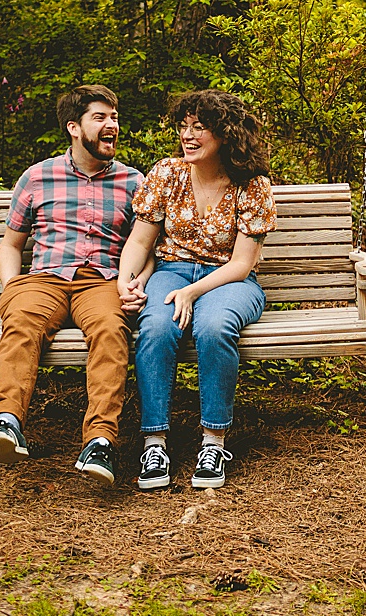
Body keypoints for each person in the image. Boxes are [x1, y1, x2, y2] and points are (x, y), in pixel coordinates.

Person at [0, 84, 145, 486]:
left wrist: (135, 282)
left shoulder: (134, 181)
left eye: (115, 118)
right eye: (100, 118)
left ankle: (100, 442)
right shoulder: (37, 177)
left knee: (111, 330)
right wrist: (11, 285)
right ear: (74, 127)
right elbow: (10, 244)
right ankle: (8, 423)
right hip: (45, 279)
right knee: (21, 322)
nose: (112, 126)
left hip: (103, 281)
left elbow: (146, 245)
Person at [118, 89, 277, 491]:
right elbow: (139, 242)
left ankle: (213, 441)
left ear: (225, 134)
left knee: (214, 327)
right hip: (170, 271)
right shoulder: (167, 174)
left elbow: (243, 263)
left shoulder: (252, 184)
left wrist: (193, 292)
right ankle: (154, 443)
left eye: (199, 128)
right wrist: (126, 278)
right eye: (183, 127)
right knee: (154, 327)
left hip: (230, 280)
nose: (188, 135)